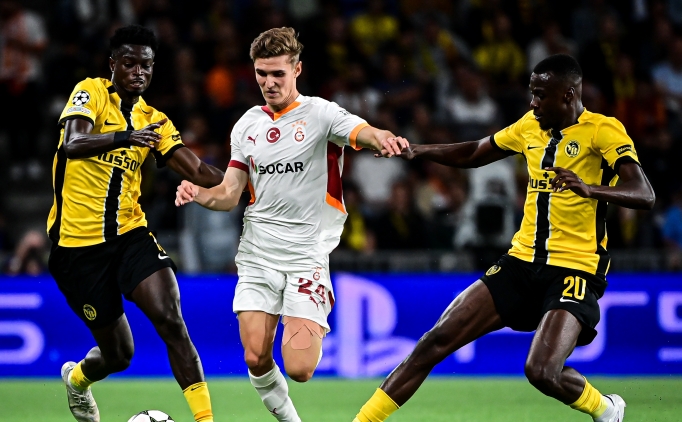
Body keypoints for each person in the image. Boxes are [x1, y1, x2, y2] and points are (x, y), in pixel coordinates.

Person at [353, 54, 655, 422]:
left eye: (541, 95)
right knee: (435, 341)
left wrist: (590, 189)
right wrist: (418, 150)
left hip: (575, 268)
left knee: (541, 371)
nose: (533, 103)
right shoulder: (530, 126)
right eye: (532, 93)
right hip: (520, 263)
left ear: (568, 95)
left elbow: (644, 193)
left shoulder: (603, 130)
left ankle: (606, 409)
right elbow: (476, 151)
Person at [175, 27, 408, 422]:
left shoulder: (321, 114)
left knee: (300, 368)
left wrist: (382, 137)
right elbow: (230, 193)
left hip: (306, 255)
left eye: (278, 74)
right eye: (261, 74)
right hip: (257, 253)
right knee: (255, 356)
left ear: (297, 69)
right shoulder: (246, 125)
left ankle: (305, 315)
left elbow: (363, 131)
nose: (269, 82)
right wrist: (198, 192)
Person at [47, 25, 224, 422]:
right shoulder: (91, 92)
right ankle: (77, 380)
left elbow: (197, 170)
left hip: (131, 235)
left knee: (171, 319)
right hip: (77, 249)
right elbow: (72, 143)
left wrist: (250, 179)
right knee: (119, 355)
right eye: (129, 63)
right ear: (113, 64)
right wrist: (126, 137)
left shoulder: (154, 121)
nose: (138, 72)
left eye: (146, 65)